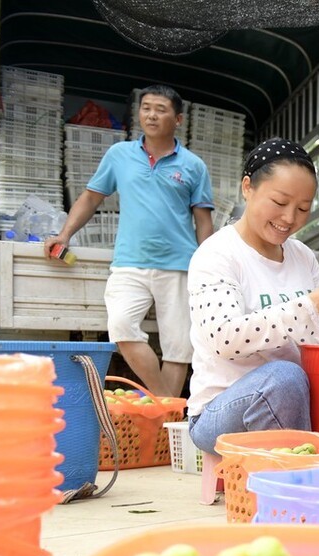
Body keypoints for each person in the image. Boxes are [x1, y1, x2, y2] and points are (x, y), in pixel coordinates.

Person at [185, 138, 319, 454]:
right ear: (248, 188)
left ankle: (308, 462)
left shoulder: (302, 256)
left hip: (293, 400)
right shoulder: (218, 254)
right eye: (279, 202)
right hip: (220, 412)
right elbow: (225, 338)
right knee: (284, 378)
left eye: (302, 208)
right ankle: (299, 479)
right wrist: (312, 305)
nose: (289, 218)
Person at [45, 85, 214, 398]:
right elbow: (91, 198)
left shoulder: (193, 166)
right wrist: (64, 234)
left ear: (178, 119)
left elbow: (204, 221)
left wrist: (207, 267)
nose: (151, 114)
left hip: (179, 265)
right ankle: (167, 405)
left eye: (160, 109)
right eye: (146, 107)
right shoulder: (119, 155)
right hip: (129, 262)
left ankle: (162, 424)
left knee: (179, 349)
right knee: (122, 328)